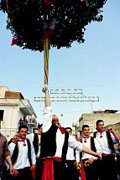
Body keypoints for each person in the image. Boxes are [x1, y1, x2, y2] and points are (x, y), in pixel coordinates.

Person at [35, 85, 102, 180]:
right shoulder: (47, 126)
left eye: (56, 119)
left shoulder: (65, 134)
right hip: (47, 164)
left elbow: (78, 145)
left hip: (60, 165)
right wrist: (46, 93)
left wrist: (94, 154)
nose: (55, 119)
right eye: (53, 119)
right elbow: (48, 108)